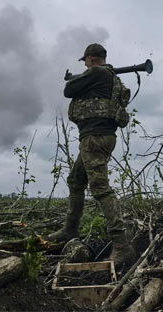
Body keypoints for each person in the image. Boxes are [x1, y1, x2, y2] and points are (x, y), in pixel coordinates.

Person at [49, 43, 135, 267]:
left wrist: (77, 78)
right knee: (76, 181)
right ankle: (70, 229)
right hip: (97, 137)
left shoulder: (97, 72)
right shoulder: (110, 77)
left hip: (95, 137)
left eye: (85, 61)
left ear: (90, 58)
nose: (85, 64)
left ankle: (122, 244)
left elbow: (68, 90)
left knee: (100, 189)